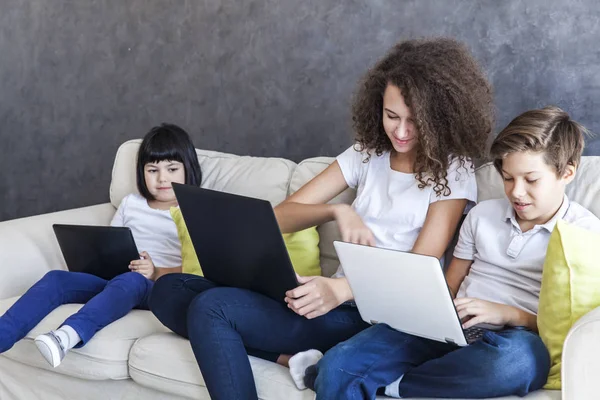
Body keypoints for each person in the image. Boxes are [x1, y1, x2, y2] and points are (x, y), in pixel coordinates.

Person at [149, 37, 494, 399]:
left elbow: (418, 268)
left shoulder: (453, 172)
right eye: (392, 116)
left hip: (375, 316)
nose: (401, 132)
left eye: (415, 121)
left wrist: (340, 290)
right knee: (169, 291)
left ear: (439, 119)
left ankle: (307, 357)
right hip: (332, 299)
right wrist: (336, 209)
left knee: (211, 307)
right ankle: (292, 358)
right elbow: (280, 217)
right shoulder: (367, 154)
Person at [304, 106, 600, 399]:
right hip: (452, 325)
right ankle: (355, 374)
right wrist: (431, 312)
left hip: (514, 338)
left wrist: (508, 313)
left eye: (531, 180)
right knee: (337, 364)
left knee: (518, 363)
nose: (516, 192)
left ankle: (394, 385)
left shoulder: (584, 233)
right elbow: (450, 283)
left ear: (567, 173)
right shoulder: (483, 216)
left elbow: (574, 325)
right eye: (508, 178)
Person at [0, 123, 201, 368]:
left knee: (133, 280)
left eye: (171, 169)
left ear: (188, 168)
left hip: (153, 287)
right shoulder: (130, 203)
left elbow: (198, 268)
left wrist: (156, 271)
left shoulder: (193, 209)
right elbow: (110, 241)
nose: (162, 179)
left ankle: (67, 336)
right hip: (114, 279)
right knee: (57, 279)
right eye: (152, 170)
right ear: (142, 173)